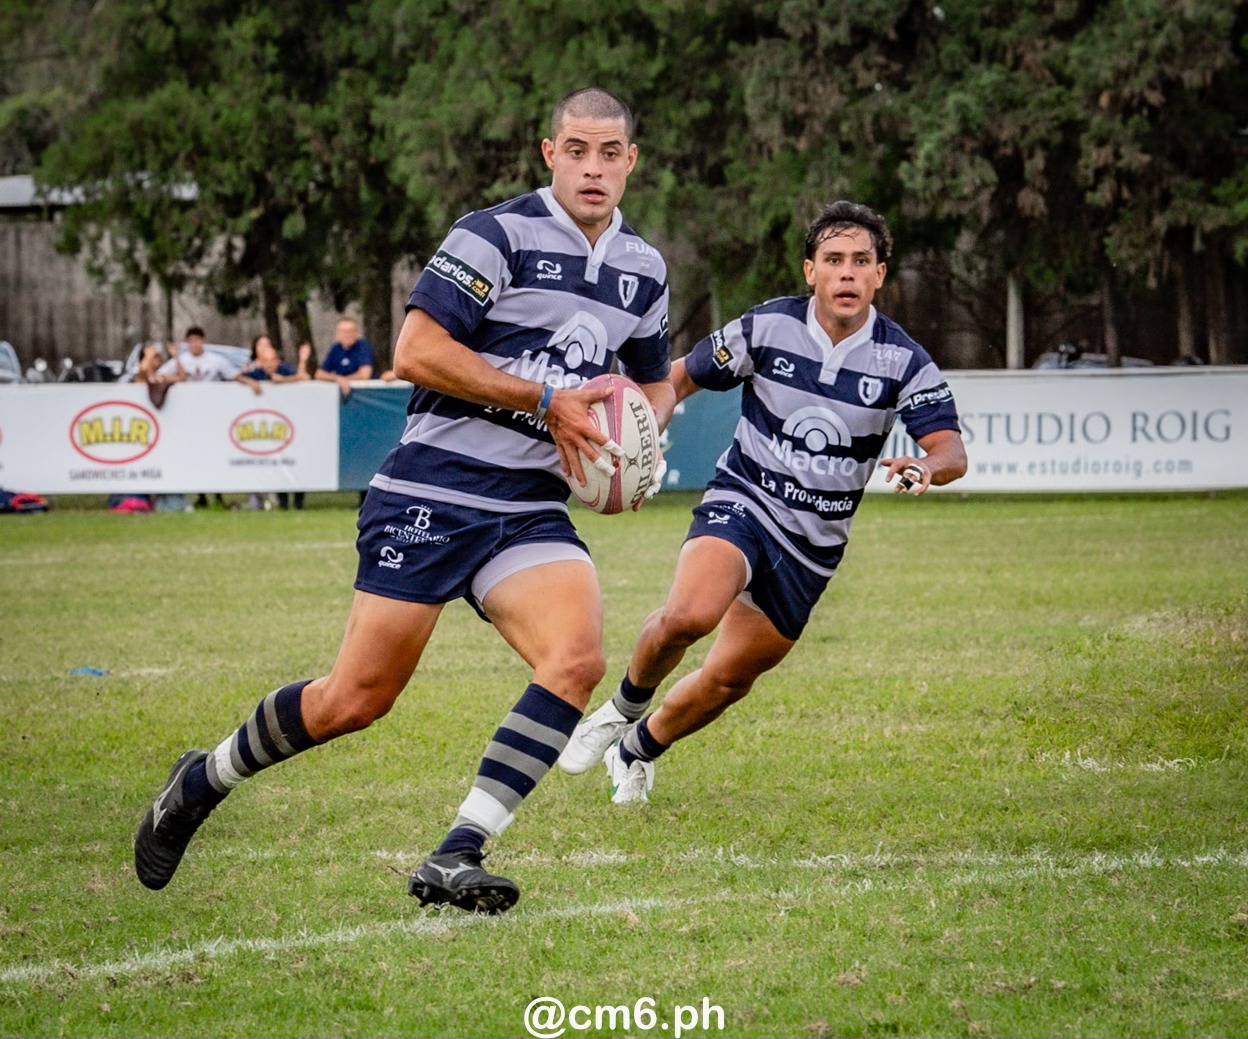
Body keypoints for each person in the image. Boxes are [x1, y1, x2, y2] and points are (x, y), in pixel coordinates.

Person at [133, 87, 674, 914]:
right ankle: (203, 779)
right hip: (432, 485)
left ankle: (459, 851)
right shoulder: (493, 235)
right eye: (577, 150)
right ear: (548, 153)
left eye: (610, 153)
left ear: (632, 160)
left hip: (528, 504)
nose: (593, 168)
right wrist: (541, 400)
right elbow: (417, 349)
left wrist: (635, 443)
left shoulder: (643, 268)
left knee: (576, 660)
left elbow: (646, 380)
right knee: (356, 698)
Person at [557, 200, 968, 804]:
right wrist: (642, 431)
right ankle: (620, 709)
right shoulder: (768, 327)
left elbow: (952, 450)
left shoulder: (903, 360)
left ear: (881, 274)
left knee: (728, 680)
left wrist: (926, 465)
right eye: (834, 260)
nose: (847, 273)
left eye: (862, 261)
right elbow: (681, 376)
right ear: (811, 271)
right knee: (689, 616)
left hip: (814, 545)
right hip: (744, 500)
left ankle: (637, 748)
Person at [234, 333, 311, 395]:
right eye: (266, 362)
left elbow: (304, 377)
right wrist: (251, 382)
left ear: (277, 360)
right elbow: (236, 378)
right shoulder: (257, 372)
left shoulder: (284, 369)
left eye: (272, 360)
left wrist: (283, 380)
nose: (270, 365)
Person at [315, 318, 375, 396]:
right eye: (344, 332)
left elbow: (365, 374)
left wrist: (345, 380)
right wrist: (339, 379)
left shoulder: (363, 346)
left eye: (351, 331)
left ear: (356, 333)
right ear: (337, 334)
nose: (348, 335)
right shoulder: (335, 348)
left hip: (366, 395)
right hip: (343, 396)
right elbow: (319, 374)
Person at [157, 326, 238, 383]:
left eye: (197, 340)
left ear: (203, 341)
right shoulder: (180, 360)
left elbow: (233, 375)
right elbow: (159, 375)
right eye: (191, 341)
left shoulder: (216, 360)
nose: (194, 344)